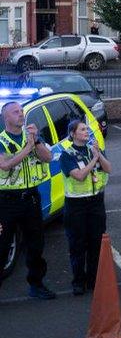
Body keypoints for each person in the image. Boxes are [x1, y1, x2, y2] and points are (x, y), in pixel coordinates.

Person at [0, 102, 55, 299]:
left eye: (22, 111)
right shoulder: (2, 140)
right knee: (3, 244)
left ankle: (37, 285)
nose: (21, 114)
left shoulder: (32, 137)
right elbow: (5, 164)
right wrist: (27, 148)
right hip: (7, 200)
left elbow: (48, 158)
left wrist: (37, 141)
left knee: (36, 244)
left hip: (31, 197)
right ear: (6, 117)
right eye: (16, 112)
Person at [58, 119, 111, 296]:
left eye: (87, 129)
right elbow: (79, 176)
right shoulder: (67, 154)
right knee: (77, 244)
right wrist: (94, 159)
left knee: (96, 243)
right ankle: (78, 281)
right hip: (76, 205)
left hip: (95, 202)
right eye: (82, 129)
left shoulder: (93, 149)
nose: (86, 131)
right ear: (73, 134)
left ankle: (93, 279)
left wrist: (99, 155)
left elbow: (108, 168)